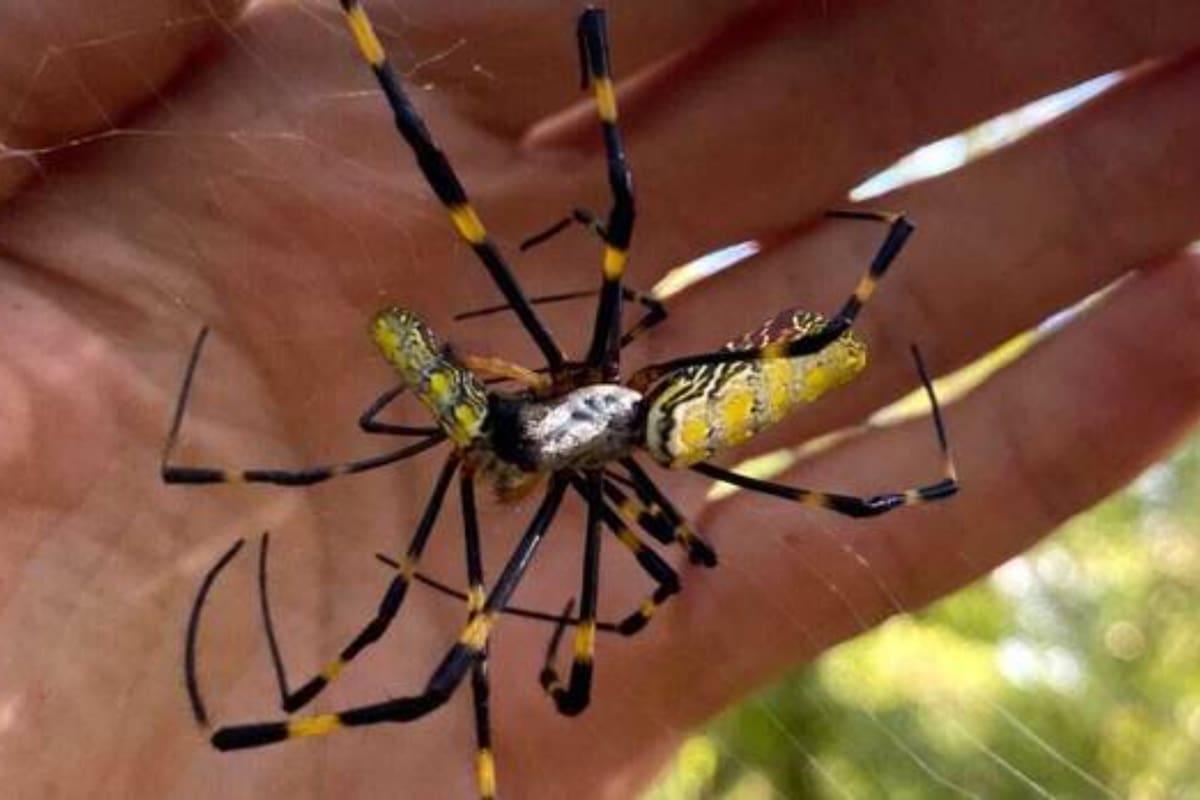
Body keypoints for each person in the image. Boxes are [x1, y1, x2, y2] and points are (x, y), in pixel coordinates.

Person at [1, 1, 1197, 797]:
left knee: (576, 240)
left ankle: (411, 42)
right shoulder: (558, 432)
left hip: (635, 415)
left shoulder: (559, 435)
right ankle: (413, 42)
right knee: (563, 233)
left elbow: (800, 515)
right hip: (628, 414)